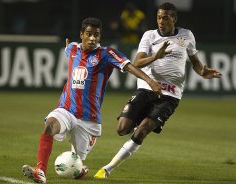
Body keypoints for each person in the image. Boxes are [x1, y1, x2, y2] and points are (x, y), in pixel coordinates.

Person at [21, 17, 166, 183]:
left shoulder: (106, 54)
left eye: (96, 35)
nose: (93, 38)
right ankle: (41, 171)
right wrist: (68, 46)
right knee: (49, 126)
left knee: (77, 165)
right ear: (81, 34)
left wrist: (150, 81)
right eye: (89, 34)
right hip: (66, 109)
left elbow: (129, 66)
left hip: (89, 120)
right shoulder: (72, 49)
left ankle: (80, 170)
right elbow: (70, 48)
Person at [94, 2, 222, 179]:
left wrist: (202, 71)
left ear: (174, 19)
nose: (161, 21)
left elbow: (195, 63)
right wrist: (156, 56)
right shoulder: (149, 35)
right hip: (146, 89)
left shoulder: (187, 35)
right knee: (122, 129)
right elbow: (137, 62)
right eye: (159, 17)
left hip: (170, 96)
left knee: (144, 129)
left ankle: (107, 169)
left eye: (166, 18)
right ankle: (139, 123)